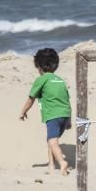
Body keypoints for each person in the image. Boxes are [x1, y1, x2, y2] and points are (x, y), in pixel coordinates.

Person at [19, 48, 71, 176]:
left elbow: (31, 98)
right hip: (65, 115)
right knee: (51, 140)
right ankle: (51, 165)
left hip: (53, 116)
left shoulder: (41, 79)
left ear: (39, 66)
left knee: (52, 141)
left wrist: (23, 112)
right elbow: (67, 99)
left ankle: (61, 162)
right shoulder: (60, 80)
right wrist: (69, 120)